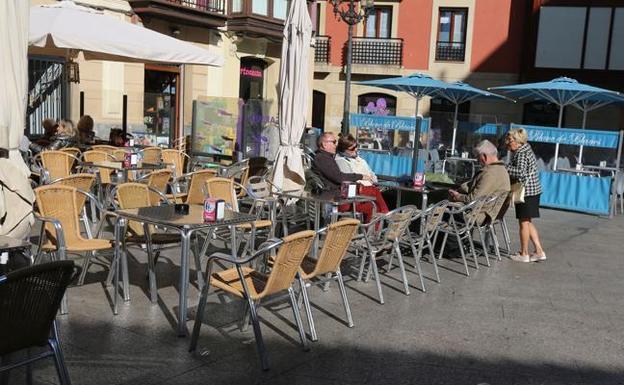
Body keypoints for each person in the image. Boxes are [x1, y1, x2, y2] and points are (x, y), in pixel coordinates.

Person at [311, 132, 377, 222]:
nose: (336, 145)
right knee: (371, 206)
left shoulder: (327, 157)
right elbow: (339, 178)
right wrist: (360, 176)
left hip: (339, 196)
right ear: (324, 144)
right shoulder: (322, 158)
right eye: (333, 142)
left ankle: (372, 231)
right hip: (334, 199)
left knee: (371, 201)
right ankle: (371, 233)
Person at [504, 128, 546, 263]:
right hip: (534, 190)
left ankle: (524, 253)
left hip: (526, 191)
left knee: (523, 222)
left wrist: (505, 167)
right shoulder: (526, 148)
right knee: (527, 221)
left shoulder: (520, 153)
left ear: (517, 141)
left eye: (509, 140)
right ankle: (539, 251)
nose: (507, 143)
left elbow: (520, 172)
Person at [448, 140, 510, 225]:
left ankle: (436, 237)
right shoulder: (501, 170)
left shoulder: (490, 173)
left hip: (477, 215)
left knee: (439, 209)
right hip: (485, 212)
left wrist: (458, 197)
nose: (477, 160)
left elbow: (473, 199)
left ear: (484, 156)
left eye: (477, 157)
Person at [336, 134, 389, 216]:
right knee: (374, 191)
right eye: (352, 148)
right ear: (344, 150)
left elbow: (373, 176)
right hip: (355, 192)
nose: (356, 149)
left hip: (366, 191)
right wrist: (364, 177)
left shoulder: (360, 160)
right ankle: (387, 215)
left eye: (356, 146)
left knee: (375, 208)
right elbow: (350, 179)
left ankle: (376, 225)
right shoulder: (341, 161)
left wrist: (370, 178)